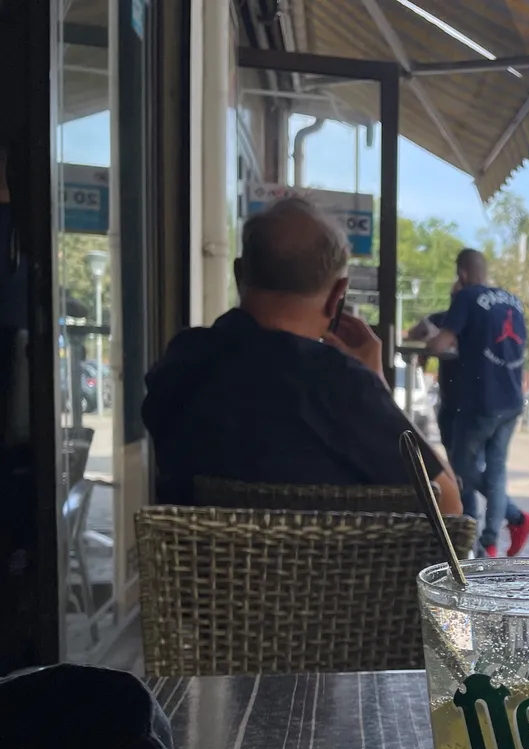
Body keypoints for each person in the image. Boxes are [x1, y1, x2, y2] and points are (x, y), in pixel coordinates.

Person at [143, 198, 461, 515]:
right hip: (333, 551)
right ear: (338, 295)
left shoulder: (182, 361)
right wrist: (377, 383)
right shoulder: (342, 384)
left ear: (239, 274)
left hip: (197, 549)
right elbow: (448, 505)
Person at [408, 277, 529, 556]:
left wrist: (432, 342)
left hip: (473, 406)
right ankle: (488, 540)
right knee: (492, 471)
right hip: (497, 402)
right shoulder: (456, 316)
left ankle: (496, 529)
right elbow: (416, 331)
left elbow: (436, 345)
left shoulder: (469, 307)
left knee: (463, 471)